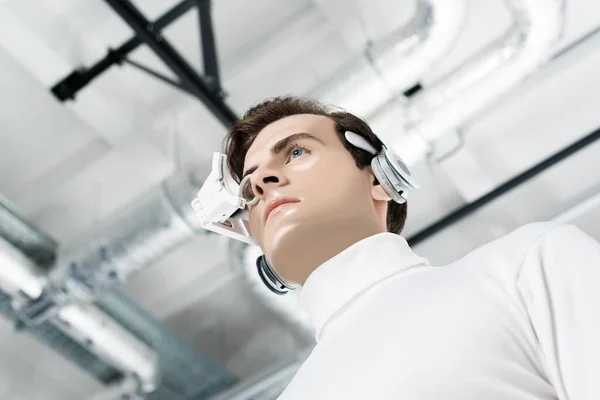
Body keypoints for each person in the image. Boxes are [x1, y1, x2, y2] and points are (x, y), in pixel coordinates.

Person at [219, 96, 600, 399]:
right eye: (249, 189)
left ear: (382, 179)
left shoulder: (527, 267)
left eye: (296, 152)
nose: (263, 183)